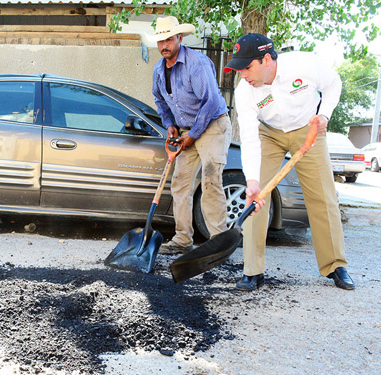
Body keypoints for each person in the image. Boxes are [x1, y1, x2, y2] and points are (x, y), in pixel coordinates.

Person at [223, 33, 355, 291]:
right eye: (240, 69)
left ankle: (335, 265)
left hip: (310, 128)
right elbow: (249, 137)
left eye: (248, 67)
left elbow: (333, 83)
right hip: (269, 134)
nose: (244, 75)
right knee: (256, 197)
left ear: (267, 60)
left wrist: (324, 115)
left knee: (323, 198)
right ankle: (253, 271)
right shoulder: (244, 91)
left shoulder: (304, 65)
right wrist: (252, 181)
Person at [150, 16, 232, 254]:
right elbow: (159, 99)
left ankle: (219, 243)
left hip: (212, 126)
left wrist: (193, 134)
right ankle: (182, 239)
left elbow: (210, 102)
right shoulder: (158, 70)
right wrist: (170, 124)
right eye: (160, 41)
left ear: (179, 38)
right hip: (186, 131)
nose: (164, 45)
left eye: (168, 39)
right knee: (180, 184)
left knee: (210, 180)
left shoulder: (197, 63)